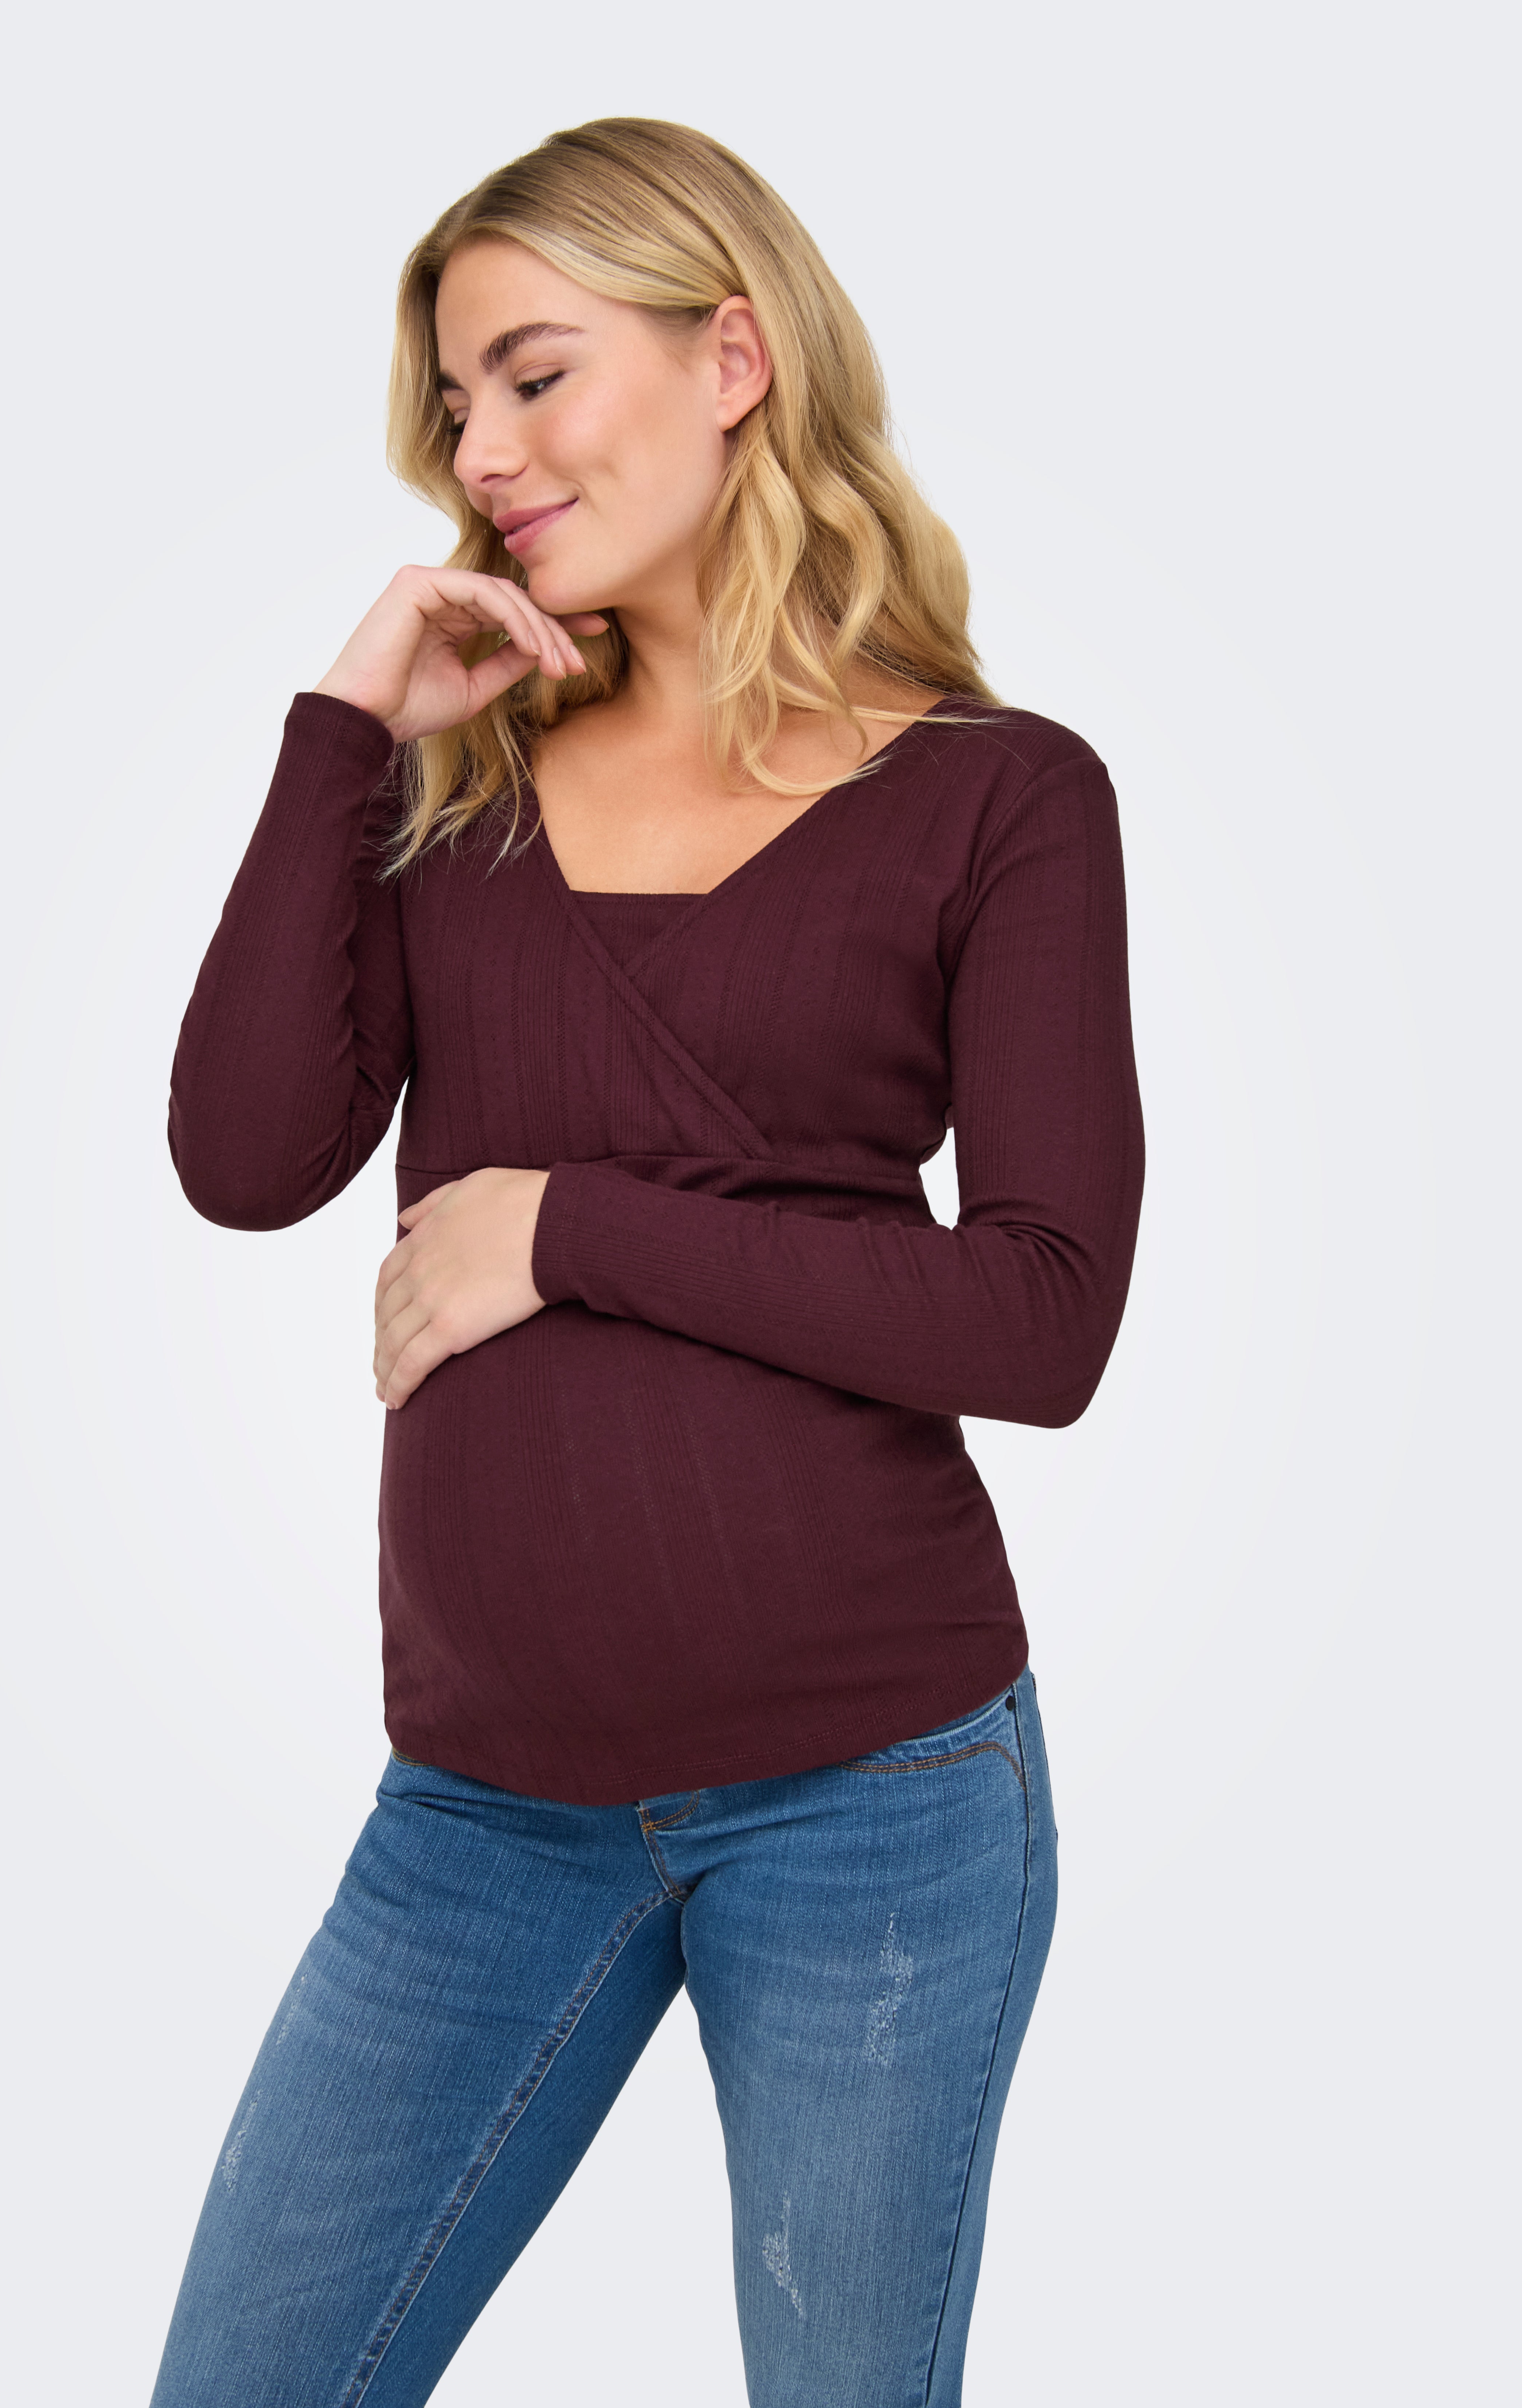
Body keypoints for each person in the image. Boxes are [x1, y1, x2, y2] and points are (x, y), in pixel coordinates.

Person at [152, 117, 1143, 2408]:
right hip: (477, 1811)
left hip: (872, 1799)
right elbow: (244, 1161)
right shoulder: (456, 791)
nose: (480, 457)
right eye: (454, 409)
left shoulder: (999, 798)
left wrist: (566, 1227)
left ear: (730, 356)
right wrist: (343, 732)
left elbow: (1040, 1318)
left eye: (532, 376)